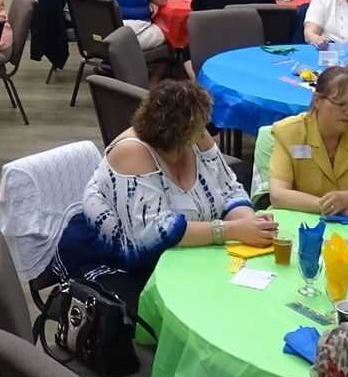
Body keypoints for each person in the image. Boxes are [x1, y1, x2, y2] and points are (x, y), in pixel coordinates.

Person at [46, 80, 275, 308]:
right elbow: (154, 234)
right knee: (202, 305)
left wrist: (249, 222)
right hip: (113, 264)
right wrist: (232, 230)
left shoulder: (198, 135)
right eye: (201, 126)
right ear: (182, 132)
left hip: (185, 256)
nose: (208, 132)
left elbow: (228, 188)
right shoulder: (133, 152)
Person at [269, 66, 348, 214]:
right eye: (341, 105)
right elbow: (278, 195)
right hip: (301, 217)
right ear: (318, 100)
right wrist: (335, 208)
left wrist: (347, 197)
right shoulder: (289, 132)